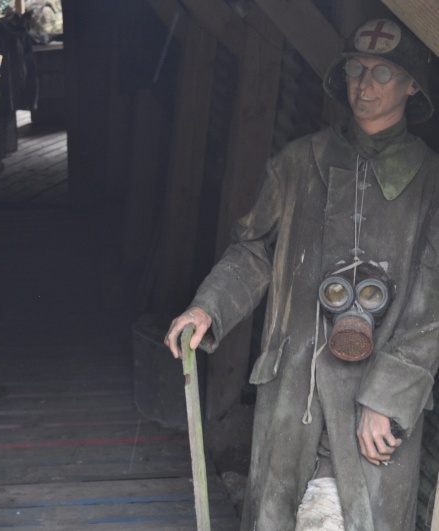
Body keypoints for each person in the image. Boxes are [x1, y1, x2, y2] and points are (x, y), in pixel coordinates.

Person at [165, 18, 439, 530]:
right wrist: (208, 306)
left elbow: (434, 306)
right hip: (293, 392)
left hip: (376, 411)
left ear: (413, 85)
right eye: (356, 69)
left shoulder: (431, 182)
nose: (365, 83)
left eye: (383, 72)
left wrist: (389, 398)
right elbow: (253, 252)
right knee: (278, 515)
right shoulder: (297, 163)